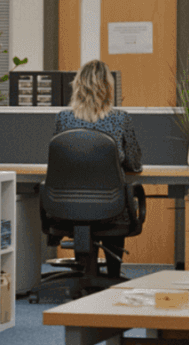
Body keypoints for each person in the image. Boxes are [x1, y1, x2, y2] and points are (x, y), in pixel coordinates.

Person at [53, 59, 141, 276]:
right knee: (114, 201)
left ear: (77, 86)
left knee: (88, 206)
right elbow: (135, 164)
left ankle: (85, 274)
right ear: (108, 88)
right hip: (112, 209)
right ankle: (112, 275)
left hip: (67, 208)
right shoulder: (121, 119)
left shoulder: (63, 119)